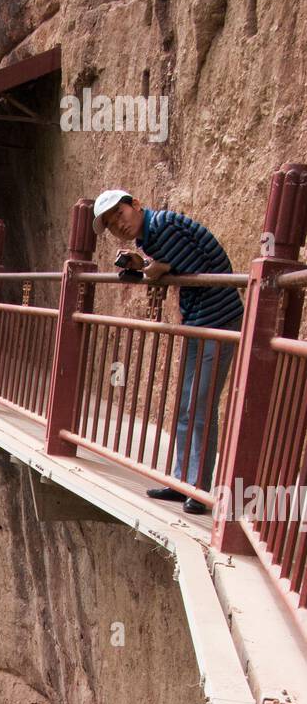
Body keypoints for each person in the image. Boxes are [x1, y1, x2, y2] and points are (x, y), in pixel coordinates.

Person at [92, 189, 244, 515]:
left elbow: (183, 270)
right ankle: (182, 482)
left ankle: (199, 491)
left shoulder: (161, 227)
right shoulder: (151, 237)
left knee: (199, 404)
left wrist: (152, 268)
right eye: (111, 224)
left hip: (219, 320)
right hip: (201, 321)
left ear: (135, 205)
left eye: (120, 214)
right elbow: (171, 268)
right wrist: (148, 265)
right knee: (188, 404)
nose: (119, 225)